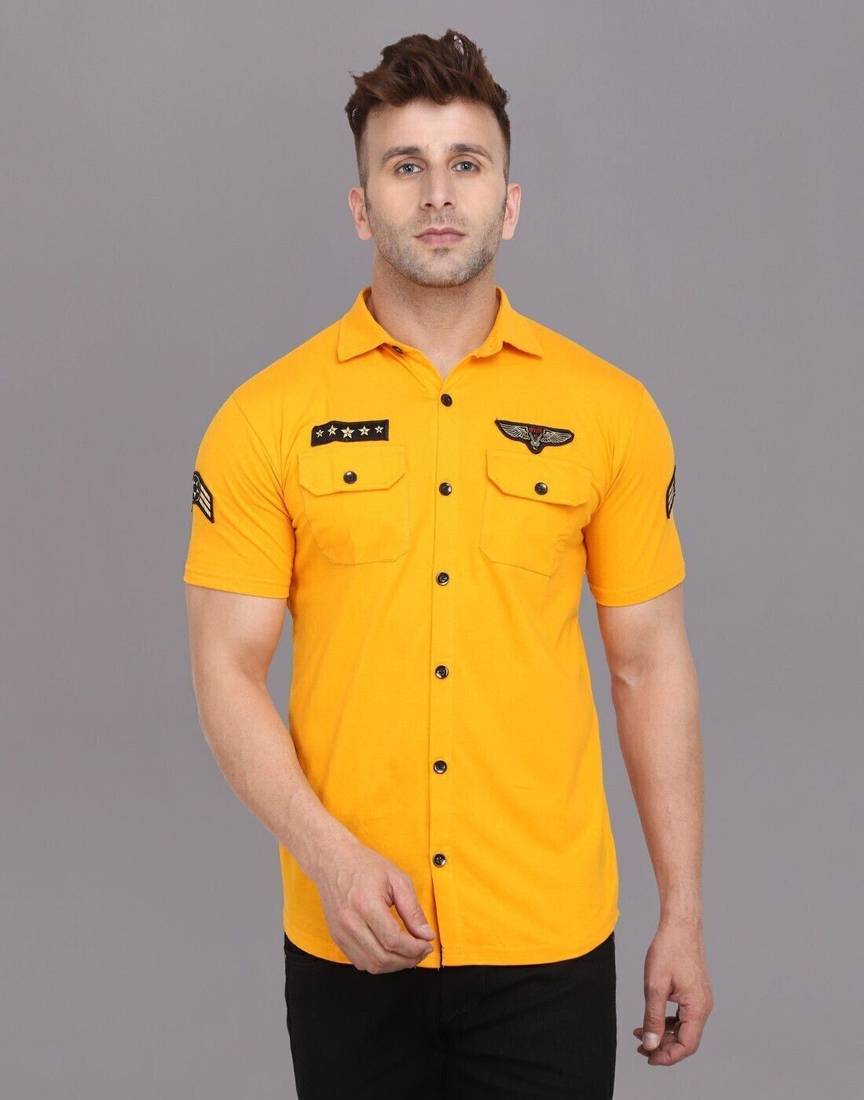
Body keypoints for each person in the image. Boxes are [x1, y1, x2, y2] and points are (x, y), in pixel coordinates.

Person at [182, 27, 713, 1099]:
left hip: (549, 939)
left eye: (466, 164)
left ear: (508, 203)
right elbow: (225, 668)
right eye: (405, 166)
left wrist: (684, 913)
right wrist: (328, 856)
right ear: (361, 205)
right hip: (350, 935)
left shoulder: (609, 412)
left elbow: (649, 664)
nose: (437, 193)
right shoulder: (264, 418)